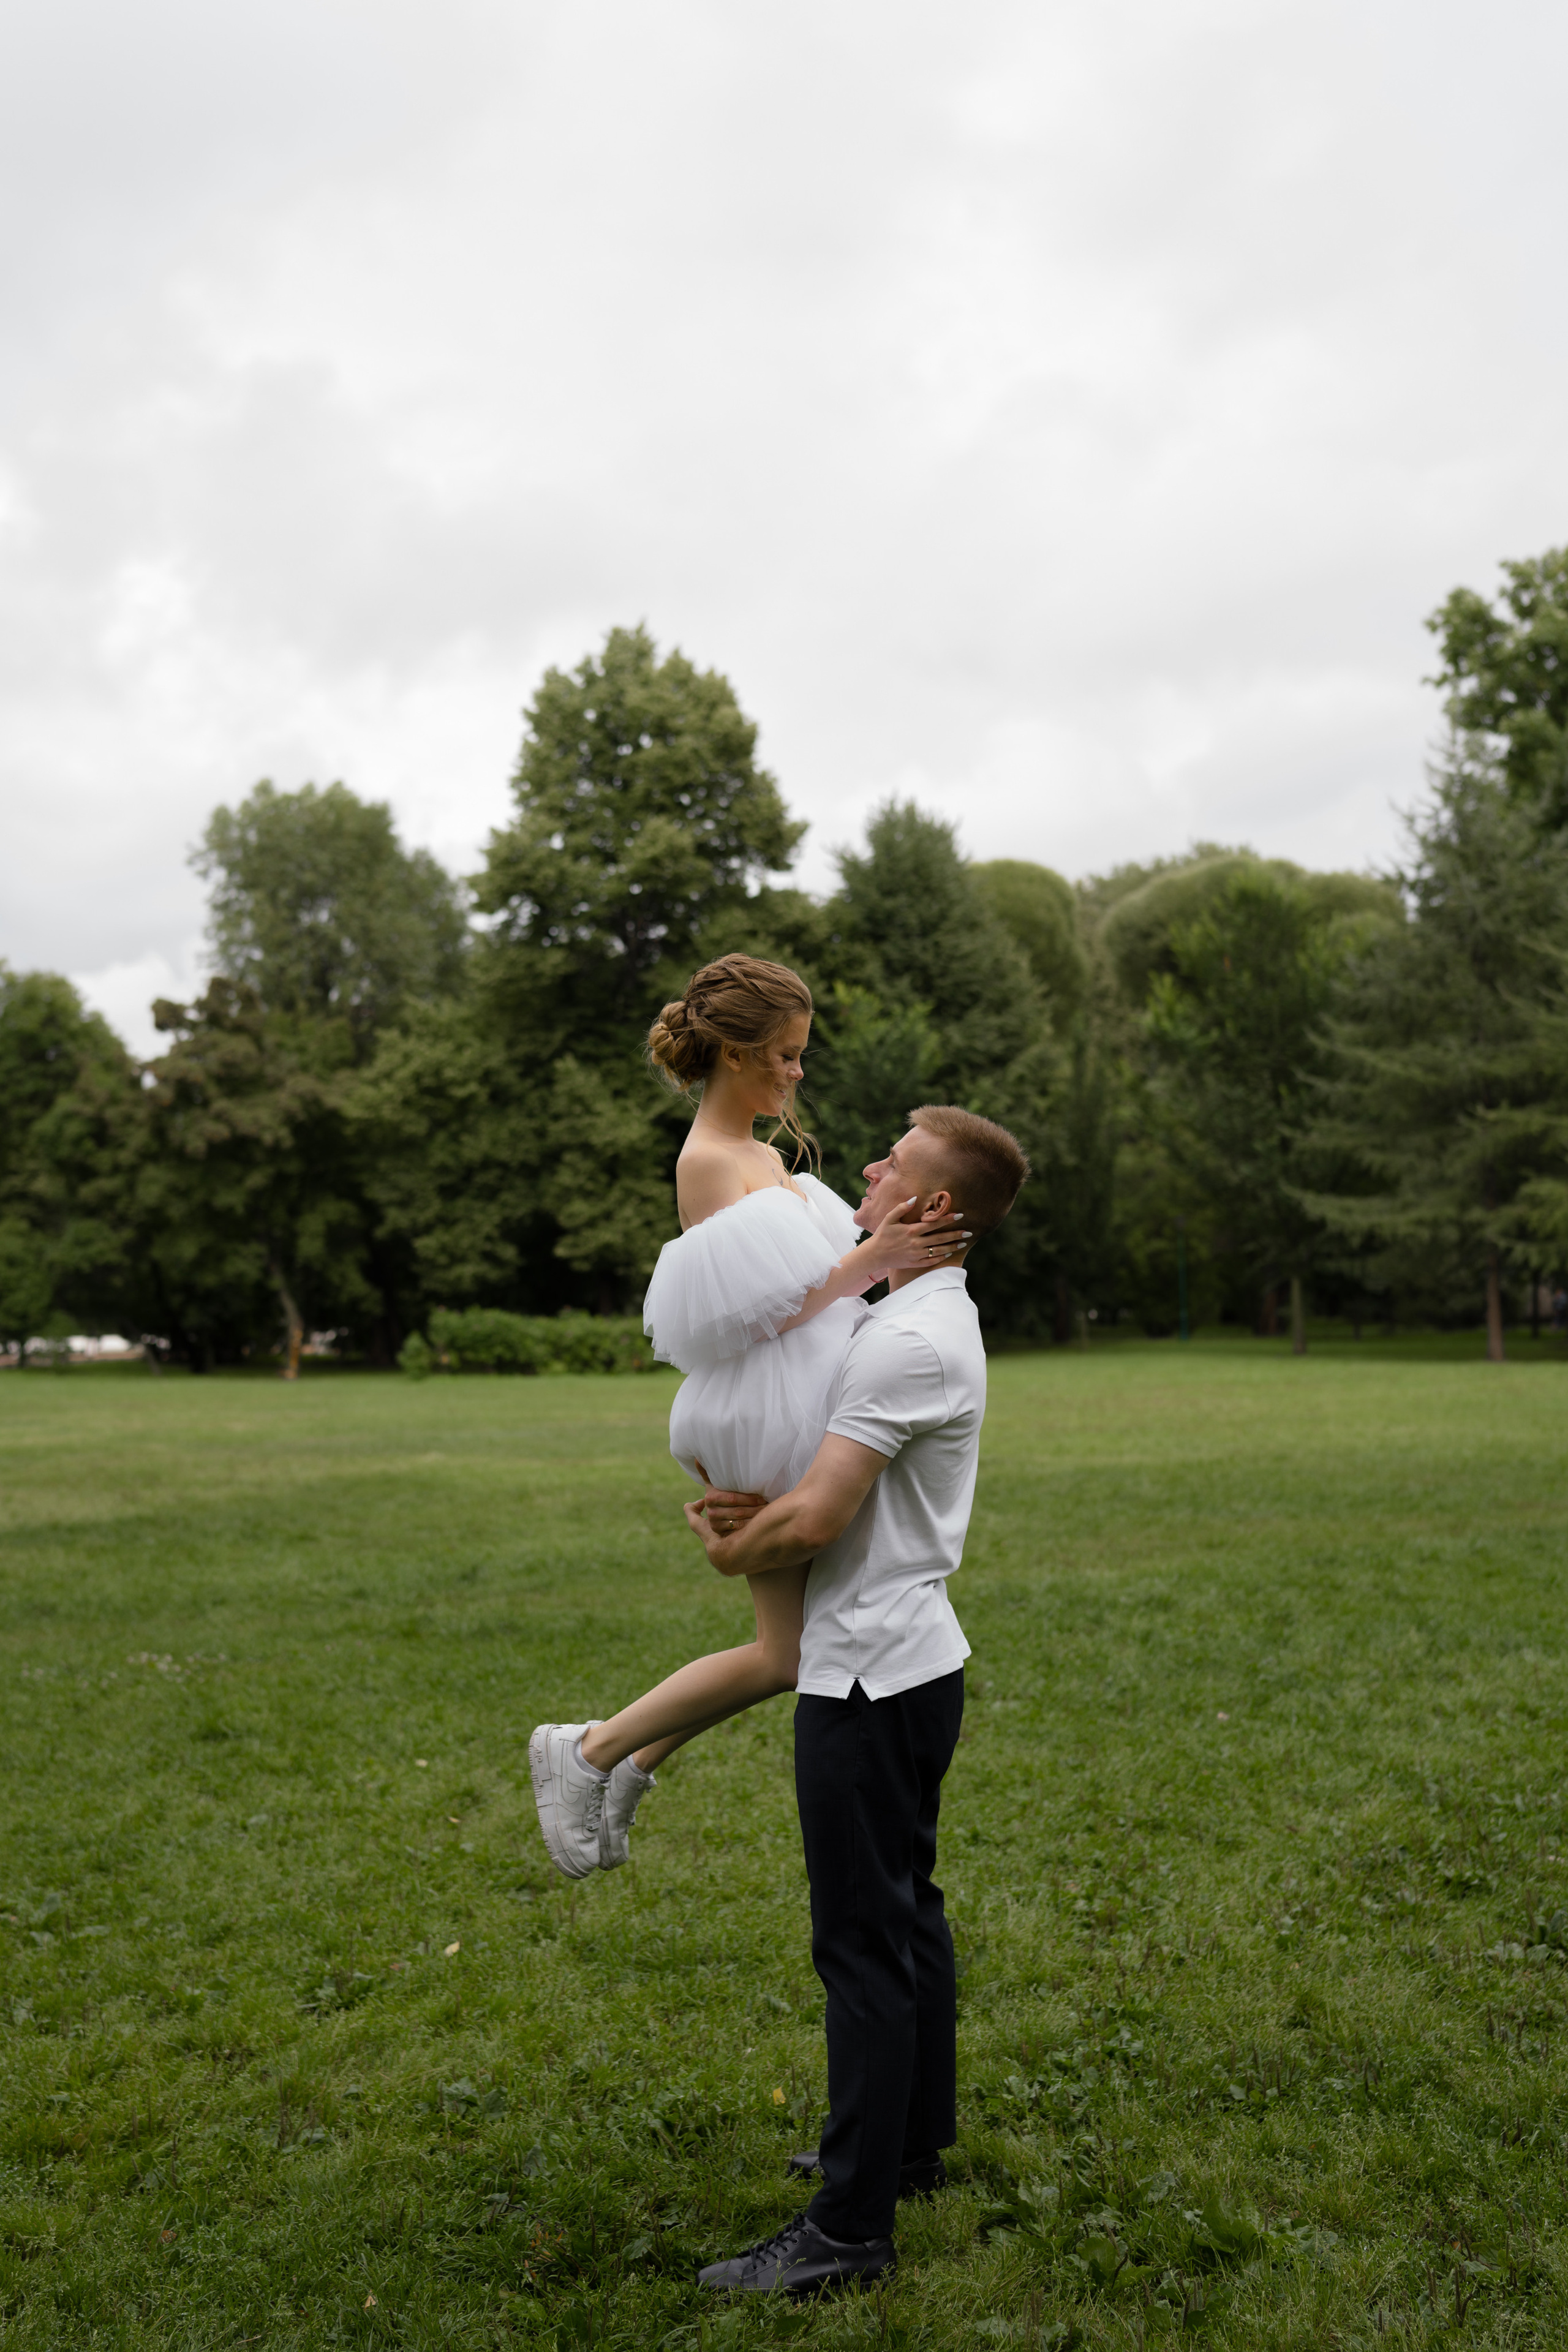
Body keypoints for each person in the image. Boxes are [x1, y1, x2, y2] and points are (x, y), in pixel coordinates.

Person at [686, 1102, 1029, 2298]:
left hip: (868, 1678)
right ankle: (905, 2147)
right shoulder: (905, 1313)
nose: (870, 1168)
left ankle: (846, 2232)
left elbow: (820, 1515)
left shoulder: (912, 1339)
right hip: (909, 1662)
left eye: (894, 1164)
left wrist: (733, 1549)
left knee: (862, 1944)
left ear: (932, 1209)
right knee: (906, 1915)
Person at [528, 954, 968, 1880]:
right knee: (786, 1654)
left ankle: (623, 1763)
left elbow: (823, 1287)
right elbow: (742, 1317)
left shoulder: (766, 1157)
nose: (798, 1073)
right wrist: (871, 1256)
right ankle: (592, 1753)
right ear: (733, 1054)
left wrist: (890, 1255)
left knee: (790, 1651)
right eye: (786, 1055)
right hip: (768, 1413)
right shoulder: (706, 1166)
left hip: (805, 1397)